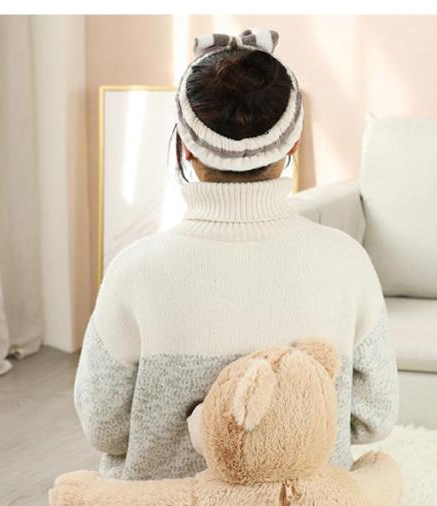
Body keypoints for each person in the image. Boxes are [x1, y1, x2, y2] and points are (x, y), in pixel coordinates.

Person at [74, 28, 399, 481]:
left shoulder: (134, 268)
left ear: (186, 147)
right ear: (293, 144)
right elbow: (374, 417)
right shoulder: (347, 260)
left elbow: (103, 427)